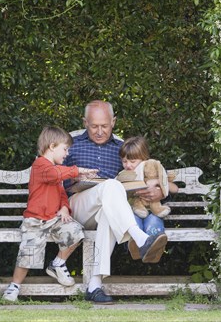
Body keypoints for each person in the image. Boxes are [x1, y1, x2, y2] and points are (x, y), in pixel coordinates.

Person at [63, 100, 170, 304]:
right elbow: (53, 177)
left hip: (108, 209)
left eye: (105, 125)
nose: (100, 131)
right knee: (112, 186)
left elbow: (150, 173)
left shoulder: (123, 149)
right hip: (77, 207)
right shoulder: (71, 145)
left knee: (109, 210)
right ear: (85, 122)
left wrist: (158, 193)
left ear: (113, 121)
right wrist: (73, 180)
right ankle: (141, 239)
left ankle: (94, 286)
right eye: (94, 126)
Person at [2, 126, 98, 302]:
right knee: (28, 254)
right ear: (52, 146)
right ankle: (14, 285)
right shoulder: (41, 165)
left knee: (76, 232)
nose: (67, 153)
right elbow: (54, 175)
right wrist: (78, 170)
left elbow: (61, 193)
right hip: (35, 221)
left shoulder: (56, 170)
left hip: (54, 219)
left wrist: (64, 207)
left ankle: (58, 263)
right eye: (65, 149)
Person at [119, 136, 173, 260]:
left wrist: (158, 184)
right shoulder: (123, 175)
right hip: (134, 211)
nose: (128, 165)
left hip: (152, 211)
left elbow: (172, 187)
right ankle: (135, 246)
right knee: (133, 221)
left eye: (132, 162)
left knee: (154, 221)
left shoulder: (152, 171)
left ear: (144, 159)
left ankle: (154, 249)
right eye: (124, 161)